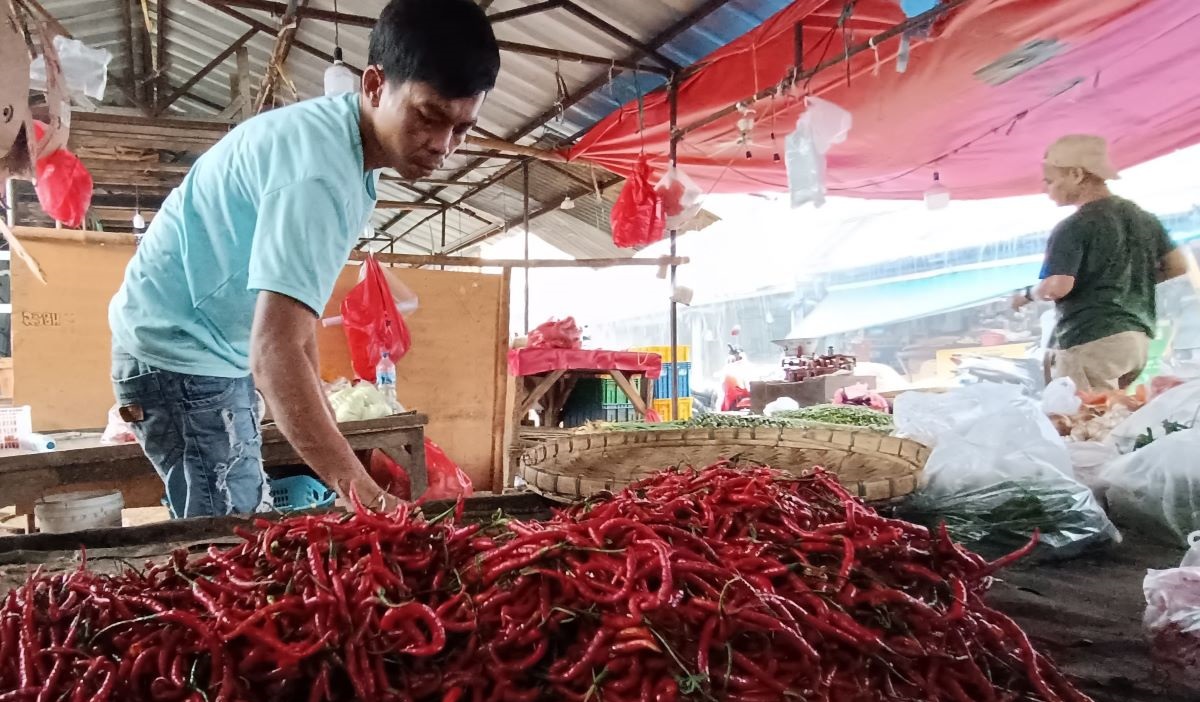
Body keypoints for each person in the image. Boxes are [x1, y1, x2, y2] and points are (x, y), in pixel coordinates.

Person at [108, 0, 500, 518]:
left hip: (203, 351)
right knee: (229, 537)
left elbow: (295, 323)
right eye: (428, 116)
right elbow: (274, 354)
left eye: (463, 128)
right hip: (179, 356)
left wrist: (324, 417)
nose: (442, 145)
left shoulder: (347, 147)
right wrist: (363, 492)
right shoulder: (321, 174)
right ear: (375, 85)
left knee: (246, 516)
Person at [1012, 134, 1188, 391]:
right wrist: (1128, 280)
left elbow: (1057, 286)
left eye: (1051, 181)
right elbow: (1178, 266)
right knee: (1115, 416)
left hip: (1092, 340)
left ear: (1076, 174)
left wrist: (1026, 295)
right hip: (1137, 340)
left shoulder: (1074, 226)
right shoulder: (1143, 218)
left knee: (1086, 423)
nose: (1046, 190)